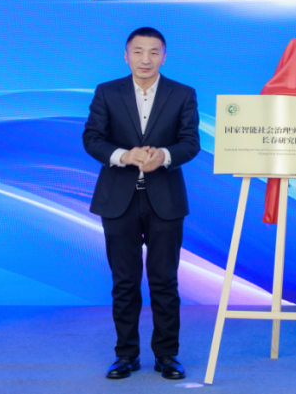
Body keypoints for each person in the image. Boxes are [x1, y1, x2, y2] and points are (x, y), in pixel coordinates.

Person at [83, 27, 200, 380]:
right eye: (138, 51)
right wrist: (124, 155)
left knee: (164, 281)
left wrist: (163, 155)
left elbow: (190, 142)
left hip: (165, 201)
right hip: (118, 200)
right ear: (126, 56)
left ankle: (167, 355)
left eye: (153, 52)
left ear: (164, 56)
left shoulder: (183, 93)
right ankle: (126, 355)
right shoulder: (107, 92)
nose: (145, 59)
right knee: (124, 282)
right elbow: (92, 138)